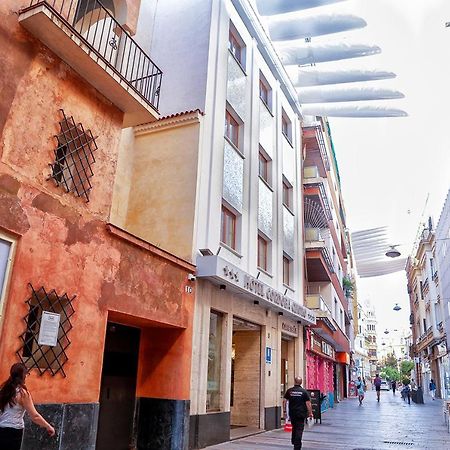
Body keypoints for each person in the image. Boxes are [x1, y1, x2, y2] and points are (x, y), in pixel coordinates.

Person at [0, 363, 55, 449]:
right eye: (26, 374)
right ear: (23, 376)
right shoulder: (22, 394)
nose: (26, 376)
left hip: (1, 429)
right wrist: (48, 426)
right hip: (14, 431)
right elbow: (35, 416)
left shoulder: (4, 390)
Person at [283, 376, 313, 450]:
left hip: (292, 413)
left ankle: (294, 440)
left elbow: (284, 401)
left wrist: (284, 411)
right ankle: (297, 445)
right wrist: (310, 413)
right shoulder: (304, 392)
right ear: (301, 382)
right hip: (301, 414)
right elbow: (308, 403)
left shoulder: (290, 391)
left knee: (294, 427)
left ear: (295, 382)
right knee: (299, 429)